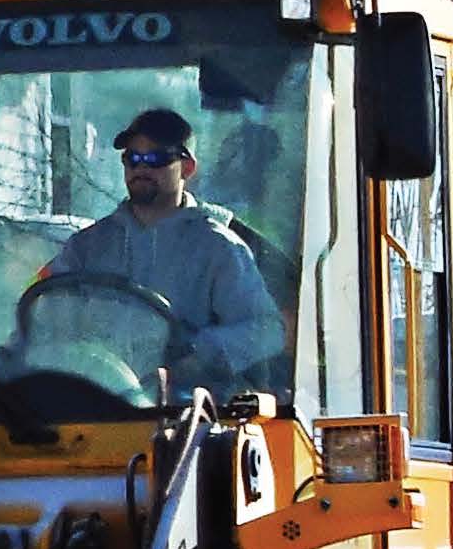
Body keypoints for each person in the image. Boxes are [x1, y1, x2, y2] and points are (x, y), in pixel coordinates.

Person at [27, 105, 285, 387]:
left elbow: (267, 330)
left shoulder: (218, 248)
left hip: (180, 414)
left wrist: (197, 354)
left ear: (187, 168)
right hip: (92, 407)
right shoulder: (85, 247)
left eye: (156, 158)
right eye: (132, 159)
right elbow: (43, 326)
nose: (141, 168)